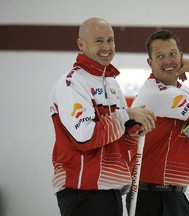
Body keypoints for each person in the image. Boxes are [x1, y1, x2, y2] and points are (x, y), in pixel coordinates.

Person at [49, 17, 156, 216]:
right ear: (81, 44)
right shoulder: (72, 83)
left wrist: (135, 129)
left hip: (111, 191)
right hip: (83, 191)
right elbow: (85, 136)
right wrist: (127, 114)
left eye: (110, 40)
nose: (106, 47)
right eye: (99, 41)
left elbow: (120, 141)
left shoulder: (111, 84)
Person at [126, 30, 189, 216]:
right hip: (150, 196)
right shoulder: (157, 93)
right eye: (160, 56)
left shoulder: (183, 91)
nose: (168, 61)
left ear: (181, 56)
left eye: (172, 54)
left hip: (175, 195)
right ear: (150, 63)